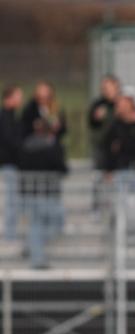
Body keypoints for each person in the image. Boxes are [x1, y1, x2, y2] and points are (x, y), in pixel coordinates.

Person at [18, 118, 67, 269]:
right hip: (47, 194)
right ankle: (37, 257)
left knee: (38, 225)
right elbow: (62, 168)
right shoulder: (52, 146)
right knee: (55, 222)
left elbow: (20, 166)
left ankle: (31, 246)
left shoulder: (25, 145)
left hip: (30, 193)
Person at [1, 85, 23, 241]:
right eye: (18, 96)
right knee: (10, 201)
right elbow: (10, 140)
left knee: (12, 201)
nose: (20, 99)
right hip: (7, 164)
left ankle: (10, 233)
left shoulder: (13, 116)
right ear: (9, 98)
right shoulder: (4, 117)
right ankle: (9, 235)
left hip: (11, 164)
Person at [103, 95, 135, 172]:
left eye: (123, 105)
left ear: (130, 107)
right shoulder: (115, 125)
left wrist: (121, 144)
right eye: (119, 105)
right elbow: (109, 147)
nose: (119, 108)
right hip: (119, 168)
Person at [88, 75, 120, 171]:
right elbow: (92, 124)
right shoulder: (98, 104)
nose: (105, 91)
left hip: (120, 148)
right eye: (103, 88)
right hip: (103, 147)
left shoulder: (122, 104)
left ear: (116, 87)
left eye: (108, 88)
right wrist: (96, 118)